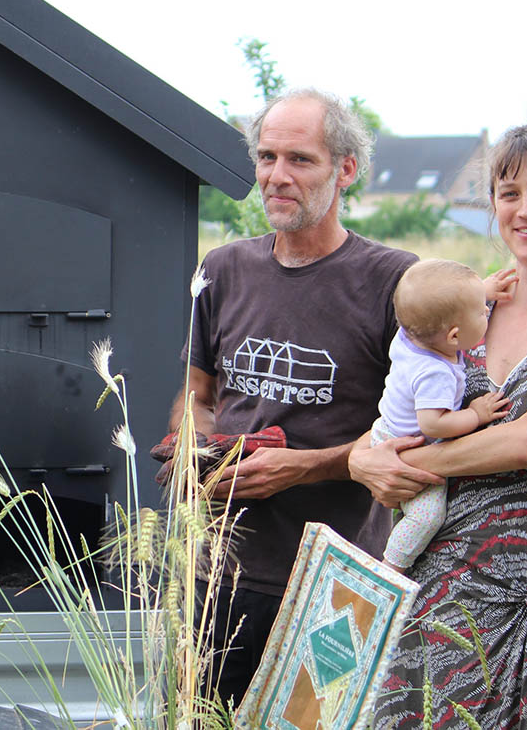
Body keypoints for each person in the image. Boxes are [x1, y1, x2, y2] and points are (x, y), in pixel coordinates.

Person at [352, 120, 527, 728]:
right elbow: (399, 406)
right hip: (421, 582)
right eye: (510, 193)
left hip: (513, 593)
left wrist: (398, 464)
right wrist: (359, 457)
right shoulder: (461, 299)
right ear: (492, 206)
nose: (526, 210)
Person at [164, 88, 418, 706]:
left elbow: (415, 433)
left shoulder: (394, 281)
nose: (277, 176)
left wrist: (302, 467)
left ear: (346, 170)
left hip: (337, 580)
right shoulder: (224, 270)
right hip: (215, 575)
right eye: (267, 157)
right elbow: (197, 393)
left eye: (300, 160)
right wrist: (193, 452)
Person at [371, 258, 512, 571]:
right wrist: (476, 414)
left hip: (385, 428)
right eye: (480, 310)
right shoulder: (435, 372)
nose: (486, 311)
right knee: (427, 515)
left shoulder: (412, 334)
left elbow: (438, 309)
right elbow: (433, 422)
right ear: (453, 336)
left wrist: (482, 290)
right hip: (410, 445)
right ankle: (391, 566)